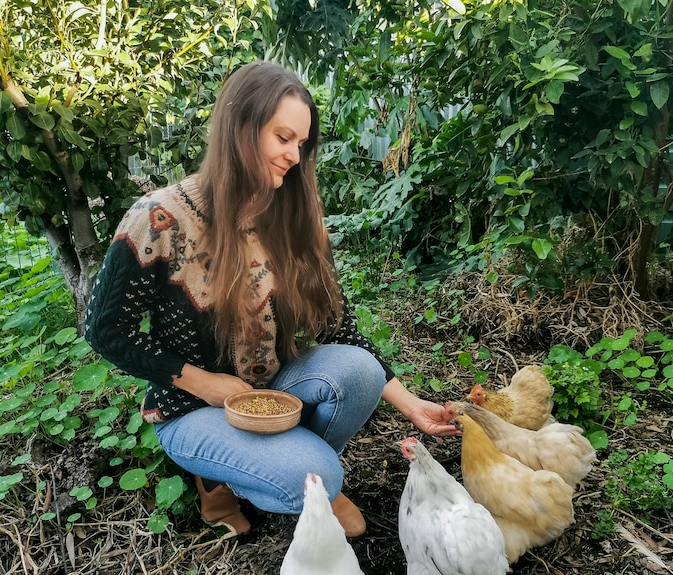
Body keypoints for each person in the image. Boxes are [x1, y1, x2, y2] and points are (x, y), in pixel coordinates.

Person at [84, 60, 458, 538]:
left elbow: (338, 328)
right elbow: (104, 329)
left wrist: (410, 405)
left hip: (274, 386)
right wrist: (202, 383)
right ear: (240, 129)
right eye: (283, 139)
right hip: (191, 405)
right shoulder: (160, 219)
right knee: (316, 478)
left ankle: (300, 468)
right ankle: (231, 478)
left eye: (301, 144)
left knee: (359, 373)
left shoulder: (294, 218)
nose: (294, 156)